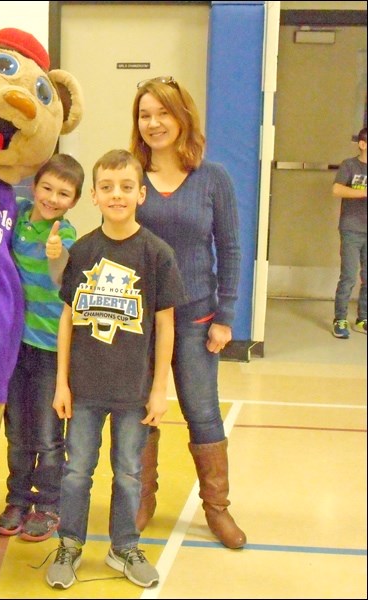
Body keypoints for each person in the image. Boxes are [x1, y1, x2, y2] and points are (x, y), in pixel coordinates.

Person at [45, 149, 185, 590]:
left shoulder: (157, 253)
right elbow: (67, 316)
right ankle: (69, 543)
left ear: (141, 194)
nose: (117, 194)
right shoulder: (83, 250)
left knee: (128, 473)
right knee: (76, 472)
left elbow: (165, 324)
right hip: (84, 388)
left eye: (126, 187)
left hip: (134, 389)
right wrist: (62, 381)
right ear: (94, 196)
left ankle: (124, 546)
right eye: (107, 187)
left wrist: (160, 389)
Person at [130, 76, 246, 549]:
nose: (154, 123)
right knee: (141, 411)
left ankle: (217, 510)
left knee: (202, 412)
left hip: (197, 317)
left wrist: (226, 315)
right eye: (144, 115)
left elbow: (231, 247)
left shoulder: (212, 178)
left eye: (163, 113)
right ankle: (140, 499)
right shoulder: (131, 175)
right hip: (139, 321)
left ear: (183, 118)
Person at [0, 154, 84, 542]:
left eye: (63, 193)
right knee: (17, 429)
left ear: (74, 201)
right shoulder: (18, 215)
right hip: (16, 346)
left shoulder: (64, 234)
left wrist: (56, 256)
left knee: (48, 434)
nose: (52, 198)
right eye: (47, 188)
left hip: (51, 349)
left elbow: (62, 277)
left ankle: (49, 503)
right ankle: (17, 498)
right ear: (34, 187)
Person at [331, 126, 367, 339]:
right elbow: (336, 189)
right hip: (352, 229)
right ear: (362, 144)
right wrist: (363, 193)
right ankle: (340, 319)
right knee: (348, 276)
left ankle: (363, 318)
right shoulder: (349, 165)